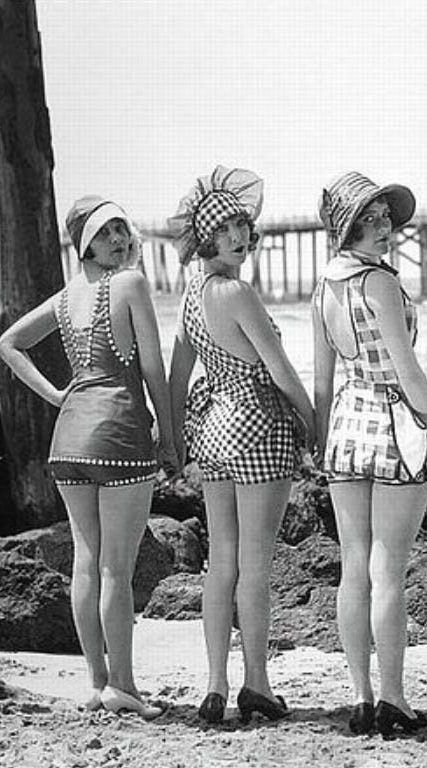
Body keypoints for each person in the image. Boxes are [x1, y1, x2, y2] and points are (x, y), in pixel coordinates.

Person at [0, 197, 176, 719]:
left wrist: (56, 397)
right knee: (117, 568)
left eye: (121, 228)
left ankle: (96, 684)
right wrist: (169, 434)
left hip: (69, 439)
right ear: (86, 245)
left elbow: (9, 343)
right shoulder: (131, 284)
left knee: (86, 562)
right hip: (119, 436)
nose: (118, 239)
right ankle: (123, 685)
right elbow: (154, 371)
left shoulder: (67, 297)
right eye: (105, 233)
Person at [167, 166, 316, 724]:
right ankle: (256, 682)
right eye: (228, 227)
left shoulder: (189, 296)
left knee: (219, 564)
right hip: (258, 429)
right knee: (255, 566)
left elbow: (180, 377)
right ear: (206, 235)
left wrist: (173, 439)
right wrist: (315, 421)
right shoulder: (237, 292)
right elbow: (279, 371)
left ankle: (212, 686)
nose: (240, 237)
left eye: (245, 227)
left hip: (214, 430)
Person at [313, 172, 427, 737]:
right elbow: (408, 371)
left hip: (346, 424)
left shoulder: (324, 286)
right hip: (393, 425)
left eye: (385, 215)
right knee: (387, 571)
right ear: (351, 226)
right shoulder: (380, 284)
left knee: (354, 569)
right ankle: (393, 697)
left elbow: (322, 380)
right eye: (372, 217)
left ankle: (361, 697)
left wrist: (322, 440)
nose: (384, 225)